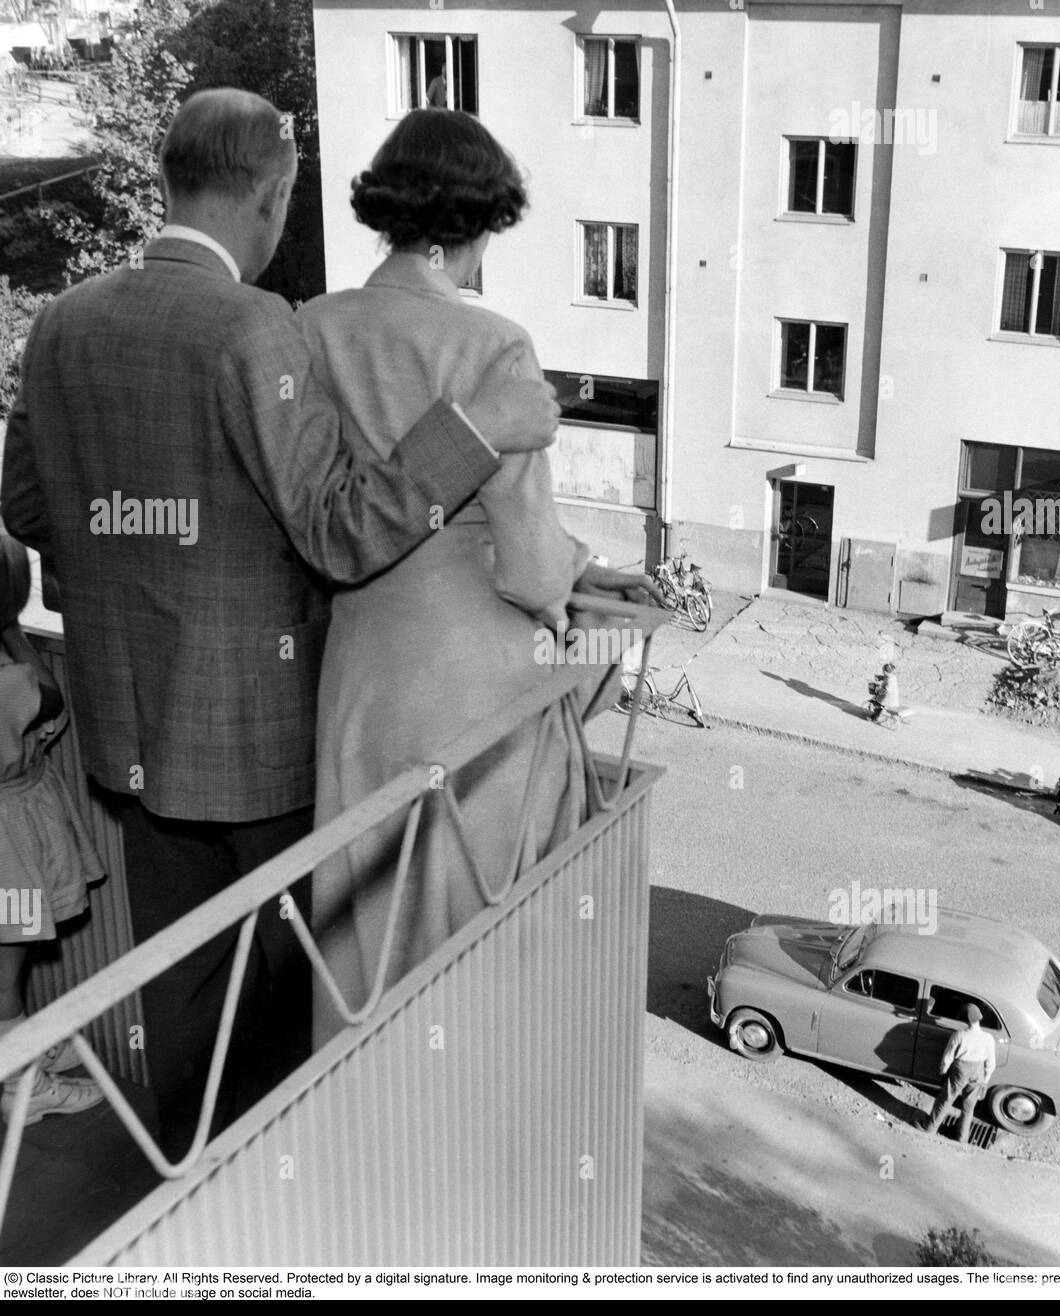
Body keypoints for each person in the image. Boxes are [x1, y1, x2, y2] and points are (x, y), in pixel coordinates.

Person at [0, 88, 561, 1158]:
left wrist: (131, 584)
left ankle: (192, 1173)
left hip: (130, 735)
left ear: (169, 175)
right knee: (292, 982)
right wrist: (476, 428)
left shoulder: (66, 317)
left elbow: (30, 507)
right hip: (264, 736)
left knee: (183, 979)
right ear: (273, 192)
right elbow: (342, 534)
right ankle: (282, 1185)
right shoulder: (255, 325)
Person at [299, 108, 654, 1042]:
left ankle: (363, 1130)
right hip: (473, 686)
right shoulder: (493, 344)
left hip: (362, 676)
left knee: (370, 924)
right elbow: (527, 561)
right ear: (486, 222)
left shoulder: (312, 328)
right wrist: (577, 591)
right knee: (477, 931)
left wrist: (583, 565)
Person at [0, 531, 106, 1125]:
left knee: (7, 960)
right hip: (6, 850)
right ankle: (21, 1087)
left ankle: (18, 1049)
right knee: (6, 969)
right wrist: (12, 629)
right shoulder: (12, 683)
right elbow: (49, 700)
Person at [923, 1003, 996, 1141]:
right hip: (978, 1072)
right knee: (969, 1107)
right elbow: (991, 1064)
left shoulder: (959, 1035)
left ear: (965, 1020)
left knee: (945, 1100)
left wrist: (943, 1072)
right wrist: (985, 1081)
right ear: (980, 1018)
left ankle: (929, 1129)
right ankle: (962, 1138)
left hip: (960, 1070)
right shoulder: (988, 1038)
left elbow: (947, 1058)